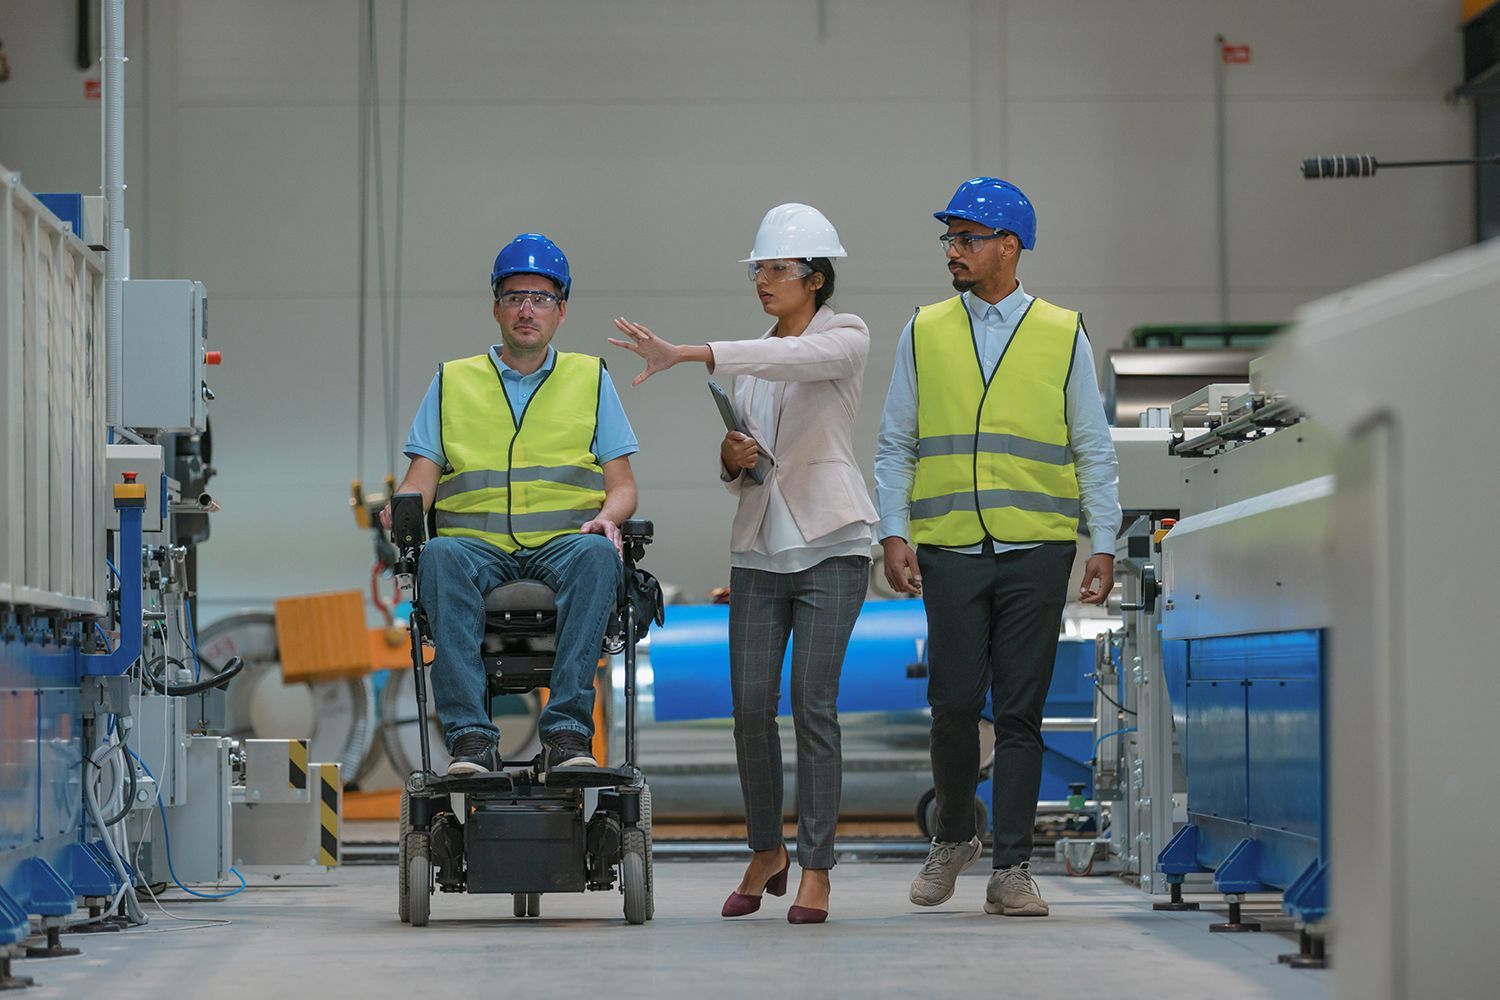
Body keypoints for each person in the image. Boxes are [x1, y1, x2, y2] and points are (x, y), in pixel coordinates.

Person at [608, 203, 878, 925]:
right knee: (750, 709)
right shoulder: (754, 360)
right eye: (757, 268)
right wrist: (732, 458)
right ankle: (767, 850)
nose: (762, 280)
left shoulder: (845, 336)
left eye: (776, 269)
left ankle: (816, 867)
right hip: (759, 551)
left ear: (815, 279)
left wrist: (690, 352)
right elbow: (750, 458)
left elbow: (795, 360)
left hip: (834, 548)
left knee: (813, 706)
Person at [874, 178, 1120, 917]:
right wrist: (893, 529)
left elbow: (1091, 444)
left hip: (1037, 548)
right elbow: (895, 444)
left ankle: (1012, 867)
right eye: (949, 239)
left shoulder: (1060, 330)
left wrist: (1101, 539)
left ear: (1009, 247)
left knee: (1020, 712)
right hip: (949, 546)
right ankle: (954, 837)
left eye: (968, 238)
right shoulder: (923, 330)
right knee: (951, 704)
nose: (954, 251)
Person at [381, 233, 639, 776]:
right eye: (515, 296)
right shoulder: (453, 380)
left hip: (566, 545)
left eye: (541, 298)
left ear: (561, 311)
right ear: (495, 307)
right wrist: (401, 508)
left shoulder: (590, 378)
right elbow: (419, 478)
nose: (528, 309)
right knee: (438, 557)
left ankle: (568, 733)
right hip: (473, 549)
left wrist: (607, 520)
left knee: (598, 556)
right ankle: (471, 738)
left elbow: (622, 486)